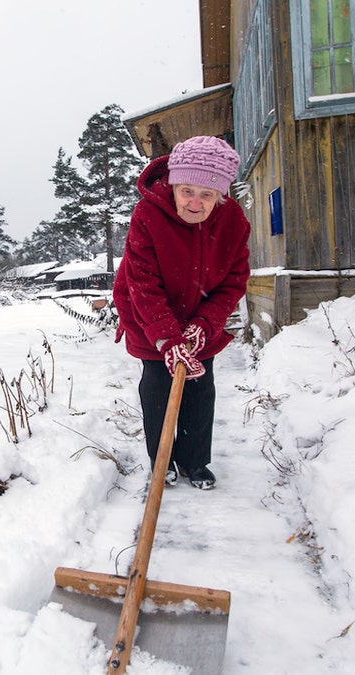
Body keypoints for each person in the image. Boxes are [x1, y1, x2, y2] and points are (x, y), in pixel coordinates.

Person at [112, 135, 250, 490]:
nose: (194, 202)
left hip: (200, 323)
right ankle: (163, 459)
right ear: (173, 185)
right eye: (187, 190)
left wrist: (206, 323)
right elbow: (142, 283)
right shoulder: (148, 215)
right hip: (150, 318)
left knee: (201, 390)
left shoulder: (233, 221)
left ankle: (195, 461)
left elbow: (234, 280)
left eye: (207, 195)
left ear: (220, 196)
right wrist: (168, 338)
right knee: (158, 388)